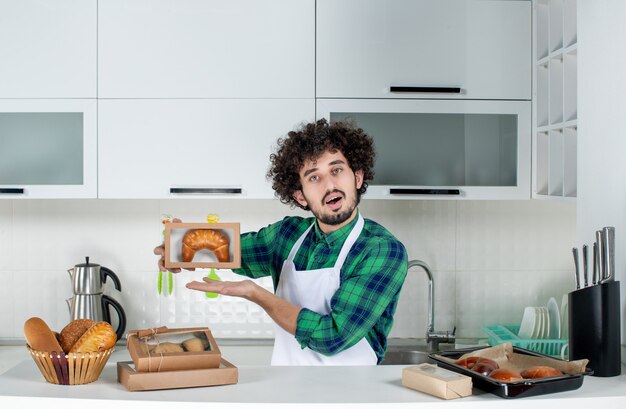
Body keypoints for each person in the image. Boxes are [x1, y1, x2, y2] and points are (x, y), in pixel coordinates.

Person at [155, 119, 408, 365]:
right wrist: (180, 245)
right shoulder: (287, 235)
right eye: (314, 177)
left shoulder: (382, 250)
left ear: (358, 177)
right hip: (286, 390)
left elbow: (333, 336)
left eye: (337, 170)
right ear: (300, 196)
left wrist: (257, 295)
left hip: (351, 397)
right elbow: (227, 250)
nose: (330, 185)